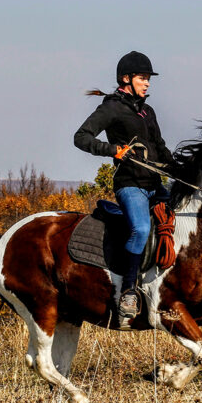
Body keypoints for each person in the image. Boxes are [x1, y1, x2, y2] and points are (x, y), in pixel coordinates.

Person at [74, 50, 176, 318]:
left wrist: (178, 168)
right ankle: (128, 292)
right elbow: (81, 137)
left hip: (155, 183)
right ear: (126, 79)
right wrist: (112, 150)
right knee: (141, 229)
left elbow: (160, 147)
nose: (148, 83)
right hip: (130, 184)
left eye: (148, 78)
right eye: (143, 78)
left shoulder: (147, 111)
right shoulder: (111, 108)